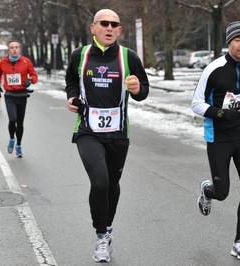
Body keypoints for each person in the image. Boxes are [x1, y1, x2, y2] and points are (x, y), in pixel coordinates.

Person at [65, 9, 149, 263]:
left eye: (114, 24)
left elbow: (143, 90)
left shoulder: (128, 57)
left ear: (119, 30)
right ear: (93, 28)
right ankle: (101, 234)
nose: (109, 28)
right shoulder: (80, 55)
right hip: (87, 131)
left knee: (112, 185)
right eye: (104, 24)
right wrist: (71, 97)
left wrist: (136, 89)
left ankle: (108, 227)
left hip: (118, 133)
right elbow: (70, 79)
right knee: (100, 182)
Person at [191, 21, 240, 260]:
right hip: (219, 139)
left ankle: (239, 241)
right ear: (229, 42)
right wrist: (220, 113)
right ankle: (208, 191)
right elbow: (196, 103)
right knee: (223, 192)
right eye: (238, 40)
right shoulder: (213, 69)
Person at [0, 41, 38, 157]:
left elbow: (34, 75)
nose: (14, 49)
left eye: (16, 47)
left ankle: (18, 145)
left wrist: (30, 80)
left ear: (19, 50)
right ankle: (11, 138)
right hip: (9, 95)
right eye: (12, 48)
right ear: (9, 50)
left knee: (20, 122)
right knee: (12, 119)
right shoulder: (3, 62)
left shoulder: (25, 61)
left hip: (22, 95)